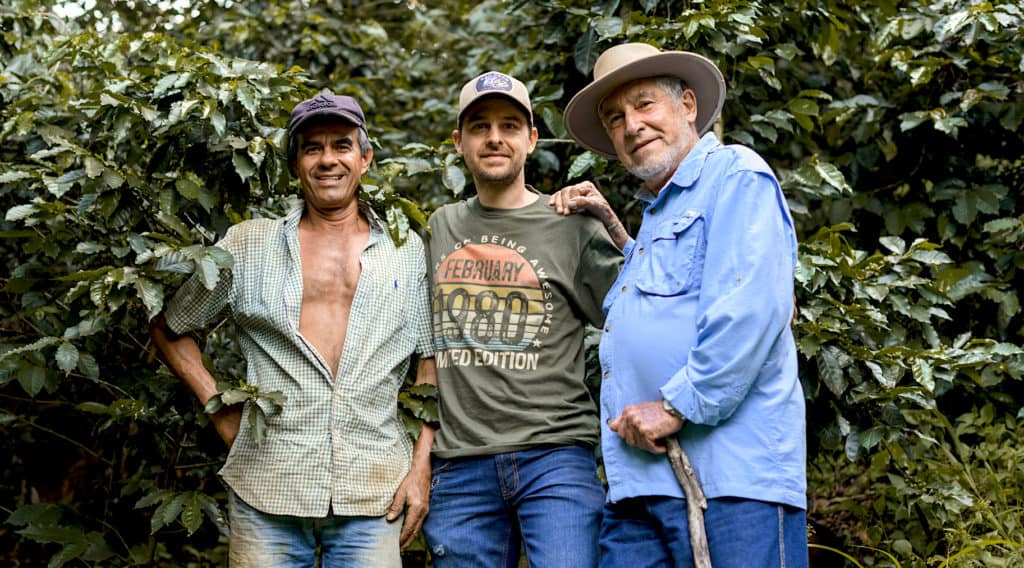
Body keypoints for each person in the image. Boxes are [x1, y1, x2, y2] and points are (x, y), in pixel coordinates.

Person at [148, 93, 437, 567]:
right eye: (311, 148)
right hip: (268, 483)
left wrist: (421, 464)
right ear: (294, 165)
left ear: (365, 159)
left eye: (341, 145)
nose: (328, 159)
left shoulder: (405, 250)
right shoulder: (249, 245)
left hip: (374, 486)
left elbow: (430, 361)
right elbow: (171, 326)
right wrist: (219, 410)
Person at [552, 42, 808, 567]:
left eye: (645, 104)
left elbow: (750, 311)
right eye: (615, 117)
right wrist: (613, 226)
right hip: (641, 487)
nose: (631, 125)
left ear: (687, 106)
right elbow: (669, 287)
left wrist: (674, 407)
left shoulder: (735, 175)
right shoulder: (658, 212)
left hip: (731, 482)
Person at [421, 71, 623, 567]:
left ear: (531, 140)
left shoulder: (571, 224)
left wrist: (613, 224)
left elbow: (640, 311)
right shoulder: (437, 226)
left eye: (510, 126)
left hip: (555, 456)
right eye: (479, 127)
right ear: (459, 143)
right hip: (460, 462)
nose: (494, 138)